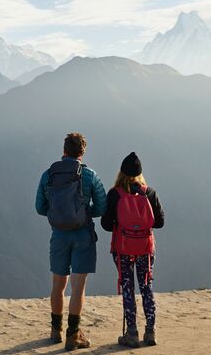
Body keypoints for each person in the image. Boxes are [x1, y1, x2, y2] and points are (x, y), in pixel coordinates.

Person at [35, 132, 107, 350]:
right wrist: (84, 214)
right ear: (82, 153)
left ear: (64, 150)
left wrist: (58, 215)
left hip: (58, 235)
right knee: (78, 286)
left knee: (58, 284)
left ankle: (55, 330)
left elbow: (40, 207)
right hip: (83, 235)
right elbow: (102, 207)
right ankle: (73, 335)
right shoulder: (90, 175)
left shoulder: (49, 175)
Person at [101, 152, 165, 348]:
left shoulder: (115, 194)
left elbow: (105, 224)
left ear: (121, 173)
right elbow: (160, 222)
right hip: (145, 249)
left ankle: (131, 333)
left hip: (123, 249)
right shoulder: (150, 193)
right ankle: (150, 331)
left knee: (128, 287)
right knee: (146, 286)